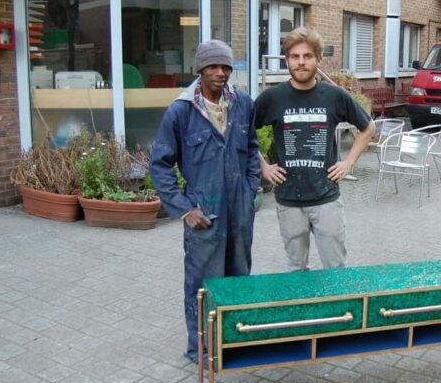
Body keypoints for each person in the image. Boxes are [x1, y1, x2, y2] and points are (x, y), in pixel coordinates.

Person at [150, 39, 261, 363]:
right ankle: (199, 348)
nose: (220, 73)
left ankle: (236, 339)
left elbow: (252, 149)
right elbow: (160, 165)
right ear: (200, 68)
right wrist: (185, 210)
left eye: (226, 67)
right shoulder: (181, 111)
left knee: (239, 278)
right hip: (204, 213)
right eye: (213, 66)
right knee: (202, 283)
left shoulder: (243, 104)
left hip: (239, 209)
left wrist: (251, 188)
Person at [255, 26, 375, 271]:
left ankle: (337, 310)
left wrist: (348, 162)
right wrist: (263, 167)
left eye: (307, 56)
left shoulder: (334, 96)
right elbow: (243, 133)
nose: (301, 63)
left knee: (335, 267)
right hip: (288, 199)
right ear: (287, 60)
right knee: (296, 270)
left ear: (318, 60)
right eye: (295, 57)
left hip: (326, 198)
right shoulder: (272, 98)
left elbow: (368, 128)